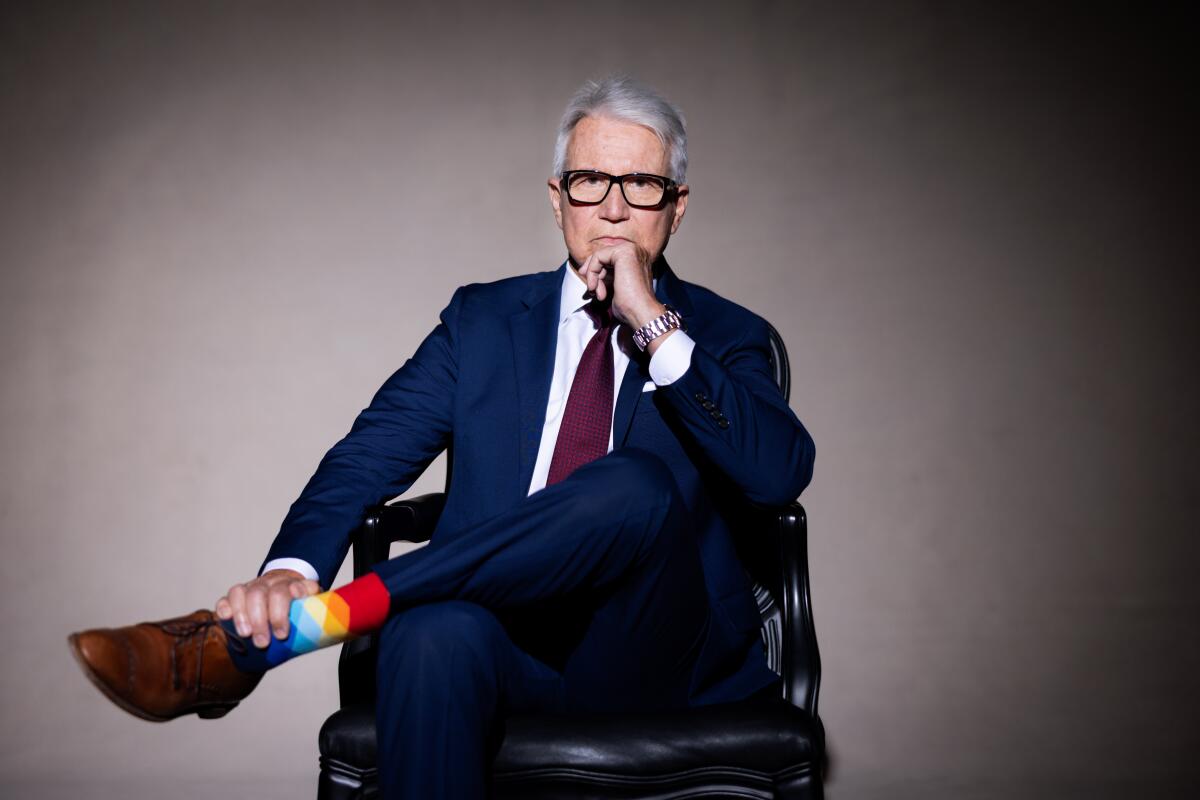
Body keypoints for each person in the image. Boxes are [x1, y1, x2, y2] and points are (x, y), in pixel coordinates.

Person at [68, 75, 815, 798]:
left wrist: (652, 323)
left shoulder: (722, 335)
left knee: (635, 484)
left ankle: (300, 632)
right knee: (429, 638)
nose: (613, 208)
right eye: (589, 180)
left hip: (649, 650)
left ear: (676, 208)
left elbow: (777, 473)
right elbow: (370, 452)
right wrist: (290, 568)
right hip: (498, 637)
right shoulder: (482, 323)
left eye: (641, 186)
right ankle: (309, 612)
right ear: (558, 201)